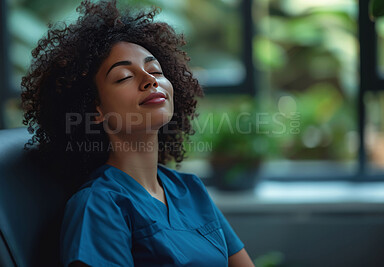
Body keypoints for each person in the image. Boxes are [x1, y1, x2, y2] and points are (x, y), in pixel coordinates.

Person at [21, 0, 255, 266]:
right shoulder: (98, 206)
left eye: (155, 70)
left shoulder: (190, 189)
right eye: (123, 77)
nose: (150, 79)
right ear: (94, 109)